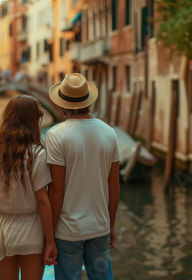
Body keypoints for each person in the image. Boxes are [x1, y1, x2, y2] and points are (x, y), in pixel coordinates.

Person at [45, 73, 120, 280]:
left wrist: (49, 236)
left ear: (62, 104)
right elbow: (114, 186)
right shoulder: (109, 132)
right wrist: (111, 225)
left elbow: (57, 192)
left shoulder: (56, 135)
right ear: (88, 101)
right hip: (99, 227)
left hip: (67, 232)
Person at [0, 95, 58, 280]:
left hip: (2, 228)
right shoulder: (38, 155)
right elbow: (43, 201)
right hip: (31, 229)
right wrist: (50, 241)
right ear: (34, 120)